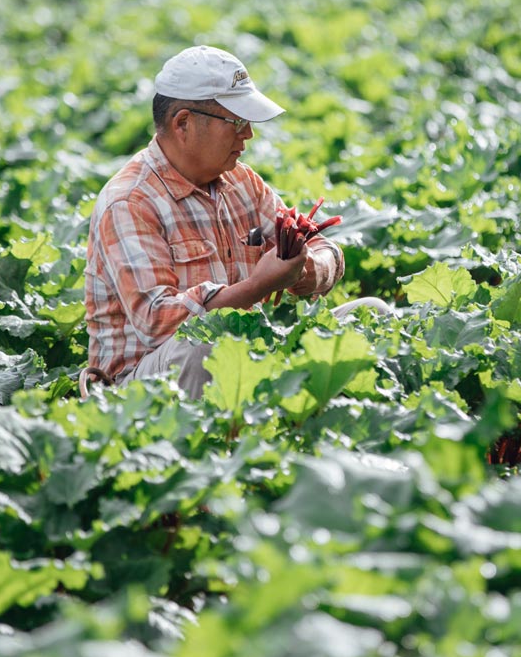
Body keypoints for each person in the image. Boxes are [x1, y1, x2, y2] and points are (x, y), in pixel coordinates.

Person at [84, 45, 391, 397]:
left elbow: (321, 247)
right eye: (237, 122)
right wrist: (256, 286)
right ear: (183, 123)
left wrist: (307, 271)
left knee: (373, 315)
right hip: (140, 382)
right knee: (205, 350)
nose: (248, 135)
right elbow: (157, 323)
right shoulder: (130, 201)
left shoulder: (241, 182)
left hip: (246, 357)